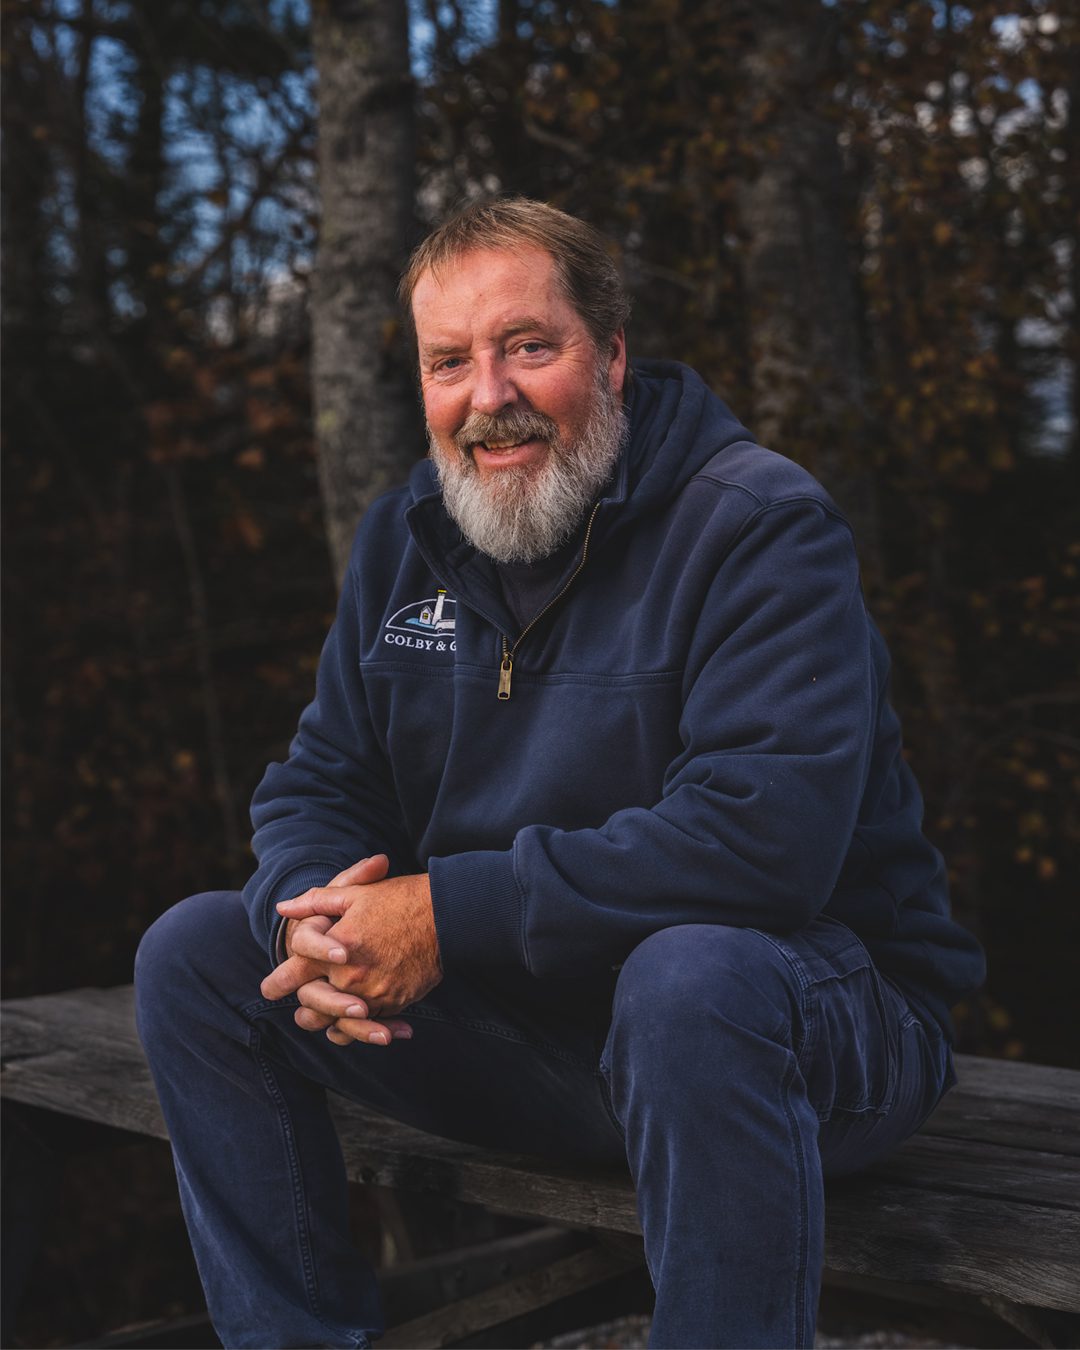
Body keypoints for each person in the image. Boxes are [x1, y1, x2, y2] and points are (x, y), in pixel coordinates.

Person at [135, 197, 985, 1350]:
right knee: (199, 956)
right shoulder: (407, 540)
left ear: (615, 354)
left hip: (803, 1031)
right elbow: (322, 780)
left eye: (530, 346)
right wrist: (314, 927)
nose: (490, 396)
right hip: (537, 1041)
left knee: (688, 980)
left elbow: (761, 844)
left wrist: (445, 913)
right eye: (451, 362)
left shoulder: (758, 526)